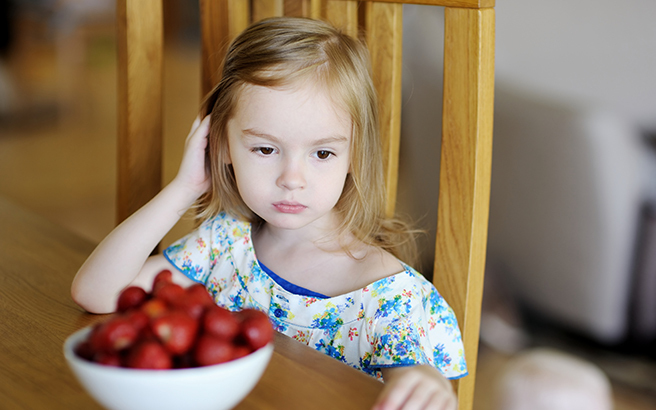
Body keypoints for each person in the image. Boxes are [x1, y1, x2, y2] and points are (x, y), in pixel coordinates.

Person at [71, 17, 467, 410]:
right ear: (221, 144)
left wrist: (424, 379)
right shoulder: (224, 245)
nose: (291, 179)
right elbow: (97, 293)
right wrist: (184, 188)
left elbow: (419, 383)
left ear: (354, 156)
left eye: (323, 153)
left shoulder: (392, 300)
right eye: (265, 149)